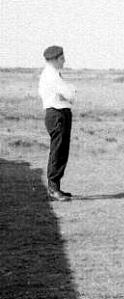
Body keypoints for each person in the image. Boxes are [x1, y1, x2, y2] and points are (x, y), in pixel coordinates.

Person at [38, 45, 77, 201]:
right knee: (58, 151)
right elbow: (70, 94)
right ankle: (53, 188)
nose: (64, 61)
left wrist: (69, 93)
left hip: (60, 112)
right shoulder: (51, 75)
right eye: (61, 59)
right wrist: (70, 93)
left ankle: (56, 187)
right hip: (56, 113)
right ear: (54, 59)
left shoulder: (54, 74)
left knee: (61, 151)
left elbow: (69, 94)